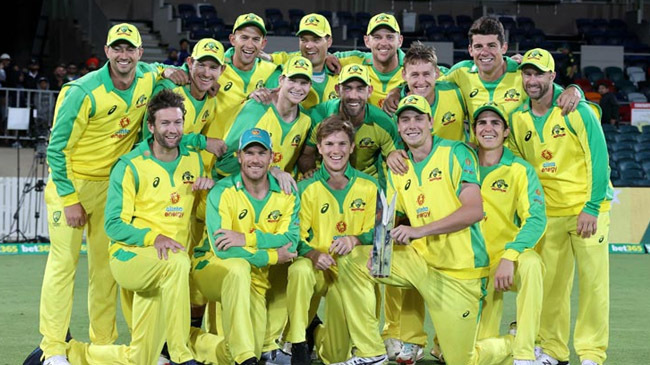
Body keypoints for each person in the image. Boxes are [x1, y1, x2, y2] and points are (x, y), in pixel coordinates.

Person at [34, 22, 210, 365]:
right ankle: (52, 348)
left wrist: (175, 73)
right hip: (72, 184)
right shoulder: (82, 91)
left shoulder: (147, 76)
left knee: (104, 271)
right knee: (63, 266)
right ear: (108, 51)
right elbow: (56, 149)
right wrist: (70, 198)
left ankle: (103, 342)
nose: (124, 54)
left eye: (131, 48)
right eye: (118, 48)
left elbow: (163, 78)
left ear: (140, 53)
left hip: (110, 185)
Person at [336, 94, 488, 365]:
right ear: (399, 126)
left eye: (418, 118)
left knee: (462, 360)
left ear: (430, 122)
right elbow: (395, 215)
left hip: (459, 270)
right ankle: (371, 351)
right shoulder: (397, 167)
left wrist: (421, 231)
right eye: (405, 120)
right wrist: (380, 250)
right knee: (352, 260)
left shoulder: (456, 152)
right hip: (418, 263)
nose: (412, 125)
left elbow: (474, 211)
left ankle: (512, 346)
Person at [509, 48, 612, 365]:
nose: (532, 80)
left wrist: (592, 207)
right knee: (552, 287)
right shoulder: (517, 118)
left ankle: (592, 352)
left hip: (587, 210)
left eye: (539, 73)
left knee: (594, 285)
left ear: (553, 76)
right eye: (527, 73)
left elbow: (599, 158)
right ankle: (553, 350)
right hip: (549, 214)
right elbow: (520, 169)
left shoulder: (577, 110)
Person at [192, 127, 299, 365]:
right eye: (249, 153)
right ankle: (244, 359)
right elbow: (222, 249)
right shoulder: (222, 191)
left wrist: (246, 239)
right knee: (238, 267)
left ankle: (189, 339)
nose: (255, 159)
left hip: (256, 279)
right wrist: (272, 256)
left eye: (262, 153)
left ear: (272, 158)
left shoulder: (287, 192)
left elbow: (291, 241)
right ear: (239, 156)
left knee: (244, 348)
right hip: (210, 267)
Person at [288, 115, 382, 365]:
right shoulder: (305, 187)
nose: (336, 151)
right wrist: (313, 254)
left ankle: (315, 332)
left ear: (352, 147)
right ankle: (297, 341)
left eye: (342, 144)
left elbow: (381, 231)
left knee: (335, 355)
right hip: (318, 268)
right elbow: (293, 236)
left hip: (352, 274)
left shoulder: (370, 185)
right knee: (298, 270)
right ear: (319, 148)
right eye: (329, 144)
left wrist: (356, 238)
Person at [472, 101, 547, 365]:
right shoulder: (461, 164)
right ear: (474, 131)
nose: (488, 128)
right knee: (469, 356)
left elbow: (536, 219)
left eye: (495, 123)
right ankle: (514, 343)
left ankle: (525, 354)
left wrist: (510, 255)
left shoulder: (519, 169)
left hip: (507, 262)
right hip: (470, 267)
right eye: (482, 122)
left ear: (506, 132)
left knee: (532, 264)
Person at [298, 63, 399, 185]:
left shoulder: (384, 123)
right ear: (337, 90)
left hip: (367, 184)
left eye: (360, 89)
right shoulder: (318, 116)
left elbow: (394, 159)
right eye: (347, 88)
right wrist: (310, 171)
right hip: (326, 181)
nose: (353, 96)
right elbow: (306, 155)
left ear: (370, 91)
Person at [256, 13, 339, 109]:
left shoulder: (341, 75)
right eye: (304, 40)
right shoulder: (281, 75)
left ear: (329, 42)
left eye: (316, 40)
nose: (308, 46)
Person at [328, 13, 405, 109]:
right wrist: (326, 57)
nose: (384, 43)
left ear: (400, 41)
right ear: (367, 41)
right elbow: (308, 57)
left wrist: (400, 90)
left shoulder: (412, 67)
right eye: (377, 37)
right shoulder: (354, 60)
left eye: (390, 37)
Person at [216, 13, 278, 117]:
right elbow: (192, 70)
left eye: (256, 39)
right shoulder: (214, 66)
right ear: (232, 40)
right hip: (213, 133)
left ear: (263, 44)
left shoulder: (271, 71)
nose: (249, 45)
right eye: (244, 37)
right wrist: (180, 71)